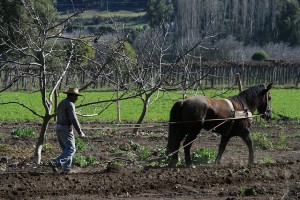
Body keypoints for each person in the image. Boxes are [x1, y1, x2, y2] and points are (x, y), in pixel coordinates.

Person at [49, 88, 86, 174]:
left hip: (58, 127)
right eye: (76, 96)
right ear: (72, 96)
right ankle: (56, 162)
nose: (77, 98)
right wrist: (80, 132)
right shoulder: (70, 104)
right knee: (71, 149)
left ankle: (67, 169)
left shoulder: (62, 103)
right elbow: (74, 119)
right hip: (65, 128)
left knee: (66, 149)